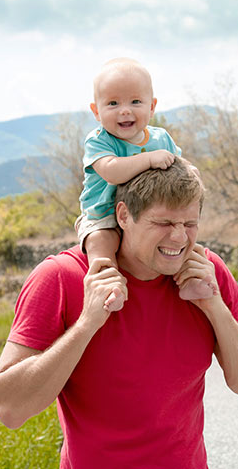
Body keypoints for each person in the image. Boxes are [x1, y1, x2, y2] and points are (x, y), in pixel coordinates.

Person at [0, 157, 238, 469]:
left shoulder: (208, 273)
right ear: (123, 215)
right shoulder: (61, 277)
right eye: (164, 223)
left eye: (190, 224)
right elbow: (10, 408)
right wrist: (87, 323)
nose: (179, 237)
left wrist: (214, 305)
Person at [75, 57, 217, 311]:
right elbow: (111, 171)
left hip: (147, 217)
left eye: (135, 101)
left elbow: (177, 163)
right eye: (113, 103)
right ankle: (109, 289)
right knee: (101, 245)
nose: (125, 110)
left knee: (181, 243)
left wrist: (190, 171)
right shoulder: (99, 141)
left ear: (151, 107)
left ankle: (193, 282)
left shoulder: (160, 137)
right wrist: (149, 159)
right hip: (103, 214)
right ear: (96, 111)